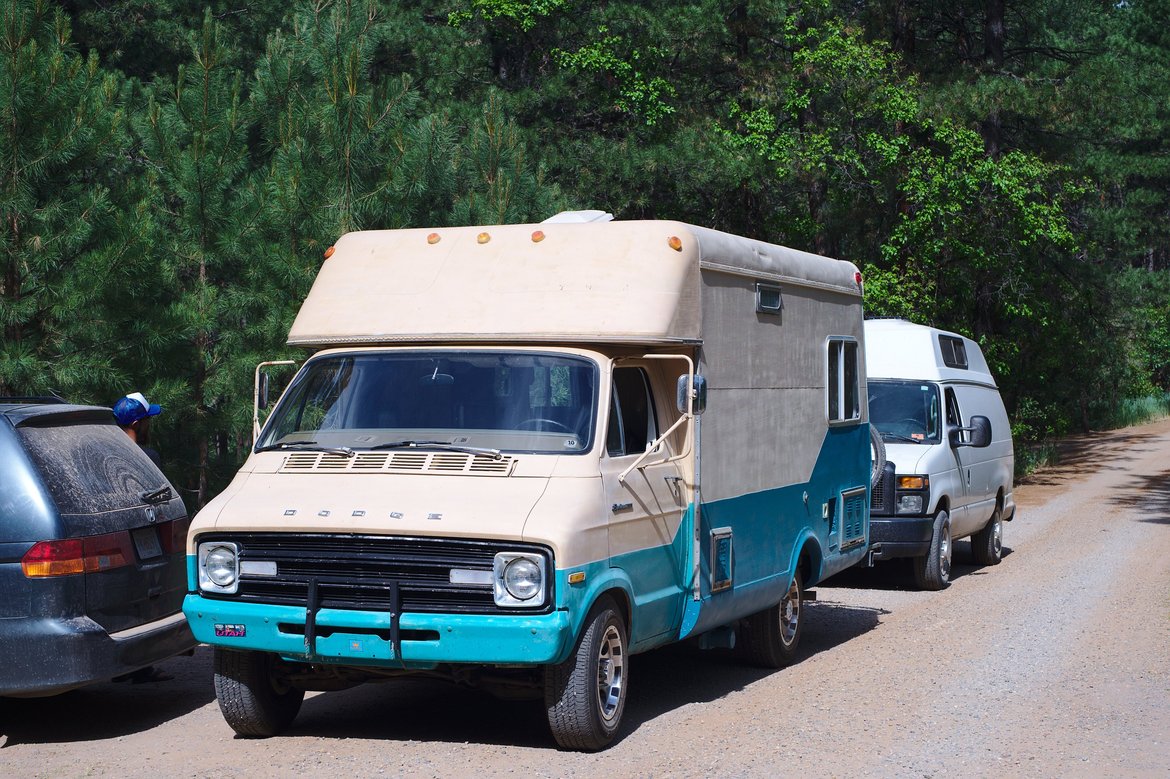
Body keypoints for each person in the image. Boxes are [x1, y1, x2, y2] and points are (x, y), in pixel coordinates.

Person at [112, 391, 163, 466]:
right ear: (135, 425)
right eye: (147, 418)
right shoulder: (149, 457)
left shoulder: (108, 452)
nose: (149, 423)